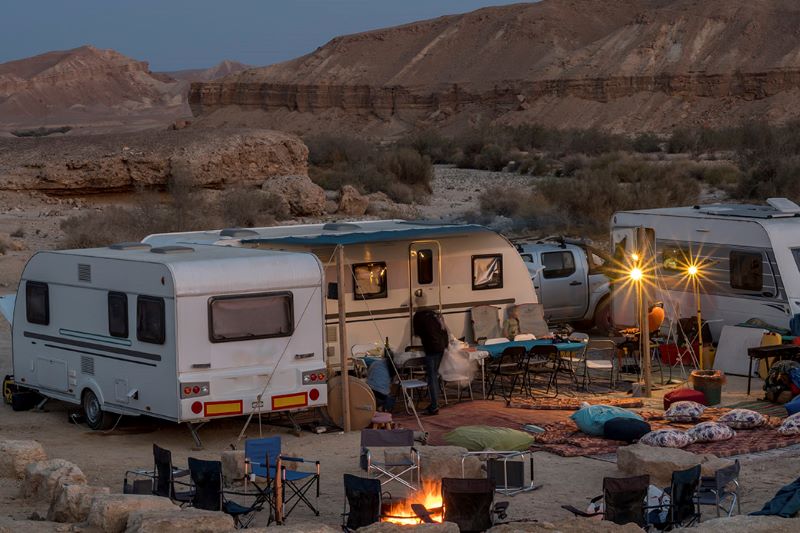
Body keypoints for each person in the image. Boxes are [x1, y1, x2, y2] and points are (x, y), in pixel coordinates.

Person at [412, 296, 448, 416]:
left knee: (432, 377)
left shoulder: (418, 316)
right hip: (441, 347)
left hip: (431, 348)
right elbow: (444, 329)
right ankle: (435, 402)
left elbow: (416, 333)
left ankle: (434, 406)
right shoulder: (434, 314)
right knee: (435, 375)